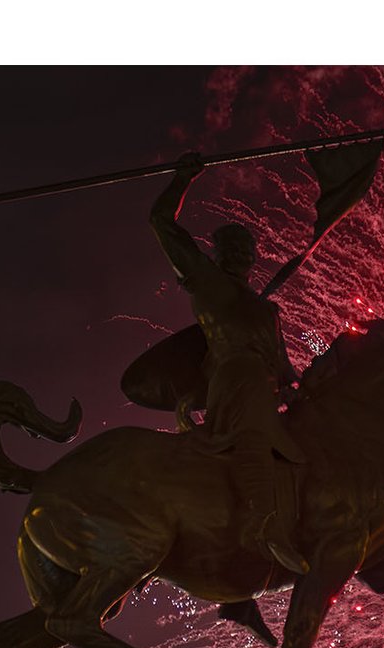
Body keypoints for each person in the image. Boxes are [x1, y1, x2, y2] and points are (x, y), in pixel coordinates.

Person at [149, 153, 309, 574]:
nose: (239, 252)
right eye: (229, 246)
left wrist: (302, 388)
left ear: (254, 257)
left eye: (245, 247)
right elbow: (161, 221)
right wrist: (182, 177)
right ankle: (263, 525)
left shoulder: (267, 312)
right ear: (215, 253)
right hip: (235, 379)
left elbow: (285, 368)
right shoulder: (208, 282)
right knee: (254, 430)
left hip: (265, 381)